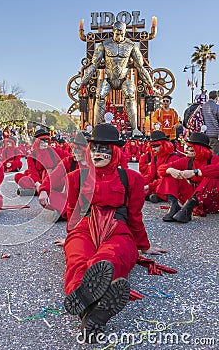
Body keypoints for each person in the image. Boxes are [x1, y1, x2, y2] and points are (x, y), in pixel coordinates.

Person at [63, 124, 166, 342]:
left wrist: (144, 246)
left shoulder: (132, 178)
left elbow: (135, 216)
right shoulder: (75, 177)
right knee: (77, 258)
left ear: (115, 151)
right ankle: (91, 306)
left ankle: (88, 305)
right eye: (94, 148)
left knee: (109, 259)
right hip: (85, 227)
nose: (98, 153)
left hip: (118, 229)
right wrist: (69, 236)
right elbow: (73, 211)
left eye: (105, 149)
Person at [80, 21, 155, 136]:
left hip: (123, 79)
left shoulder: (131, 46)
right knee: (99, 94)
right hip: (109, 79)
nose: (119, 37)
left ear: (125, 32)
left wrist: (151, 84)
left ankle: (135, 128)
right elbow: (93, 65)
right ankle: (96, 127)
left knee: (130, 94)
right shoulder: (104, 45)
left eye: (122, 34)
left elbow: (140, 67)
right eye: (117, 34)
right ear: (113, 32)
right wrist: (83, 82)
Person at [157, 132, 219, 222]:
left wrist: (196, 172)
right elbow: (161, 169)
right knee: (170, 173)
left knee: (211, 178)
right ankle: (174, 205)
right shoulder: (187, 160)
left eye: (190, 147)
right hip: (189, 196)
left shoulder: (214, 160)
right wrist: (171, 170)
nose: (187, 149)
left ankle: (188, 208)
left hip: (209, 200)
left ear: (199, 149)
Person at [14, 129, 60, 196]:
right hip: (38, 179)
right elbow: (32, 172)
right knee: (19, 176)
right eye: (42, 142)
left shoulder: (53, 151)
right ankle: (42, 190)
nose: (44, 144)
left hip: (51, 178)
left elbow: (65, 161)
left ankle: (36, 191)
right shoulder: (31, 157)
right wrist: (37, 183)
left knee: (61, 178)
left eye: (46, 141)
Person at [143, 131, 180, 202]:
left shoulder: (174, 157)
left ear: (164, 145)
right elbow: (150, 176)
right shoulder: (155, 157)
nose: (154, 149)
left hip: (169, 185)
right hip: (157, 184)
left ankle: (160, 196)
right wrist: (138, 182)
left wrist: (148, 186)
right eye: (152, 146)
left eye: (156, 145)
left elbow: (167, 179)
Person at [200, 90, 219, 155]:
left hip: (205, 133)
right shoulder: (217, 107)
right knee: (214, 155)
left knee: (206, 154)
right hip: (215, 134)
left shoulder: (203, 106)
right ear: (216, 98)